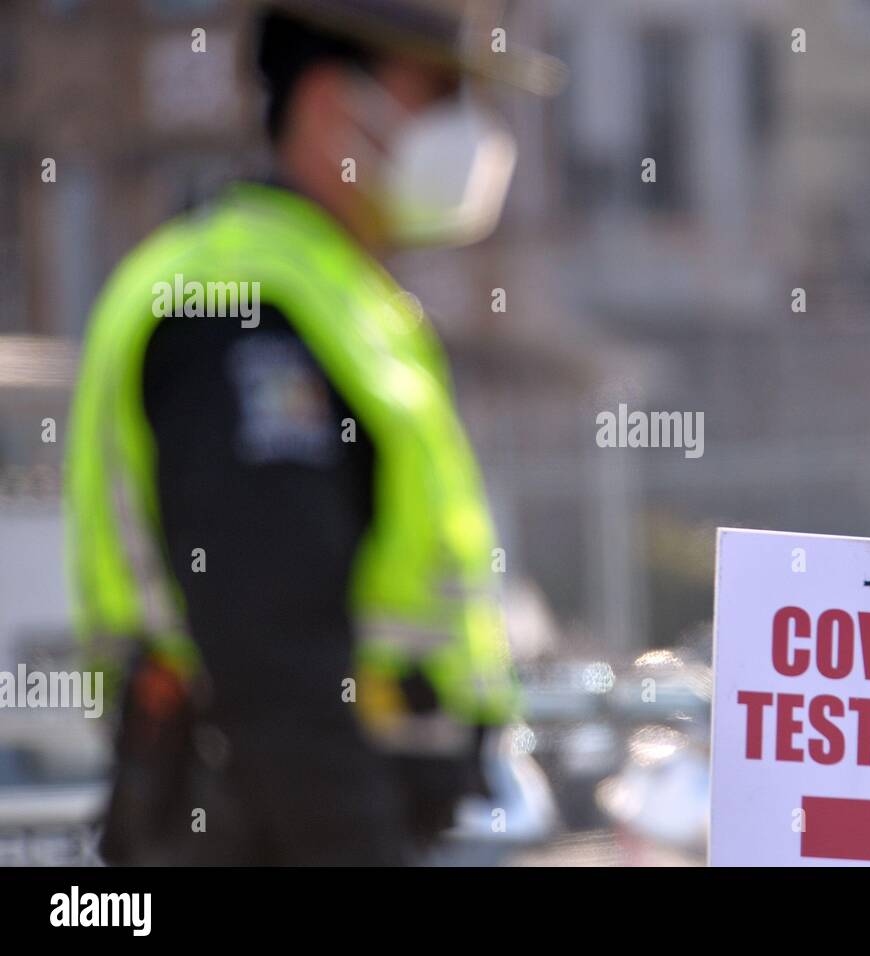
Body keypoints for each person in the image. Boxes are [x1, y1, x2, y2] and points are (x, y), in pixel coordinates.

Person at [64, 0, 564, 865]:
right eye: (441, 96)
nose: (475, 136)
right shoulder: (243, 311)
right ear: (335, 105)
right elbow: (275, 667)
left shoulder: (339, 298)